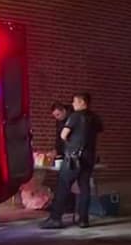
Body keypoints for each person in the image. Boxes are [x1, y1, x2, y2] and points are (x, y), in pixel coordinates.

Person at [42, 92, 102, 229]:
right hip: (89, 157)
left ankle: (55, 218)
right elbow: (97, 131)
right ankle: (83, 220)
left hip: (73, 158)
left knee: (63, 186)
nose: (73, 104)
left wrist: (71, 144)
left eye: (75, 102)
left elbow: (63, 135)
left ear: (82, 102)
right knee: (85, 188)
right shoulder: (95, 118)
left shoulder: (75, 116)